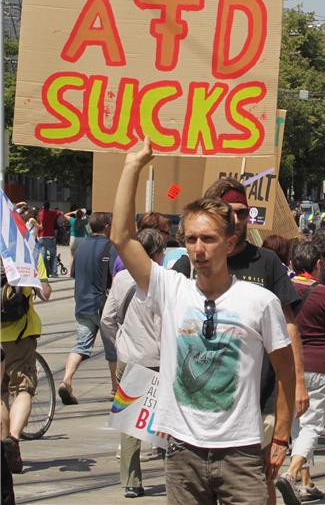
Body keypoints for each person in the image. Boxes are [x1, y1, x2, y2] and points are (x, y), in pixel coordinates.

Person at [110, 138, 297, 503]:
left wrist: (280, 437)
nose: (198, 248)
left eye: (209, 239)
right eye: (192, 239)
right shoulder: (170, 288)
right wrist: (133, 166)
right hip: (182, 454)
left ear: (229, 243)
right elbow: (120, 237)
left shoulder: (260, 302)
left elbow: (287, 371)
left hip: (241, 453)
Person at [171, 177, 306, 505]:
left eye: (244, 212)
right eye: (231, 212)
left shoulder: (266, 261)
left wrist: (298, 383)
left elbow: (288, 325)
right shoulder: (189, 264)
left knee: (261, 482)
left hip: (260, 399)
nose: (238, 219)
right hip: (204, 410)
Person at [276, 243, 325, 505]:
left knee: (297, 425)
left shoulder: (282, 291)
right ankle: (290, 474)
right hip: (320, 367)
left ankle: (305, 483)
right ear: (318, 265)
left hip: (289, 366)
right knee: (312, 425)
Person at [100, 228, 165, 498]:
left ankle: (131, 481)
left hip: (129, 360)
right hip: (159, 360)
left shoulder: (121, 279)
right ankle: (178, 477)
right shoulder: (165, 280)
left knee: (130, 426)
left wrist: (121, 344)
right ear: (157, 253)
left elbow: (107, 318)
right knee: (166, 423)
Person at [58, 212, 118, 405]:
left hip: (82, 305)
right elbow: (116, 278)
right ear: (107, 226)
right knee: (113, 350)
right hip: (104, 306)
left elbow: (74, 273)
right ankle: (115, 388)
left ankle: (66, 380)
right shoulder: (111, 247)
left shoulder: (81, 247)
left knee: (81, 346)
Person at [1, 254, 51, 474]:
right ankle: (13, 438)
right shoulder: (26, 253)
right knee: (23, 388)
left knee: (0, 394)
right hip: (21, 337)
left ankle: (3, 452)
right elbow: (45, 293)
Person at [37, 201, 62, 278]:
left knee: (43, 256)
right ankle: (54, 272)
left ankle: (45, 273)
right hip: (51, 236)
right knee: (53, 255)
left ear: (43, 207)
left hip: (41, 236)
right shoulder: (52, 213)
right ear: (49, 207)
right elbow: (60, 213)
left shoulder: (40, 214)